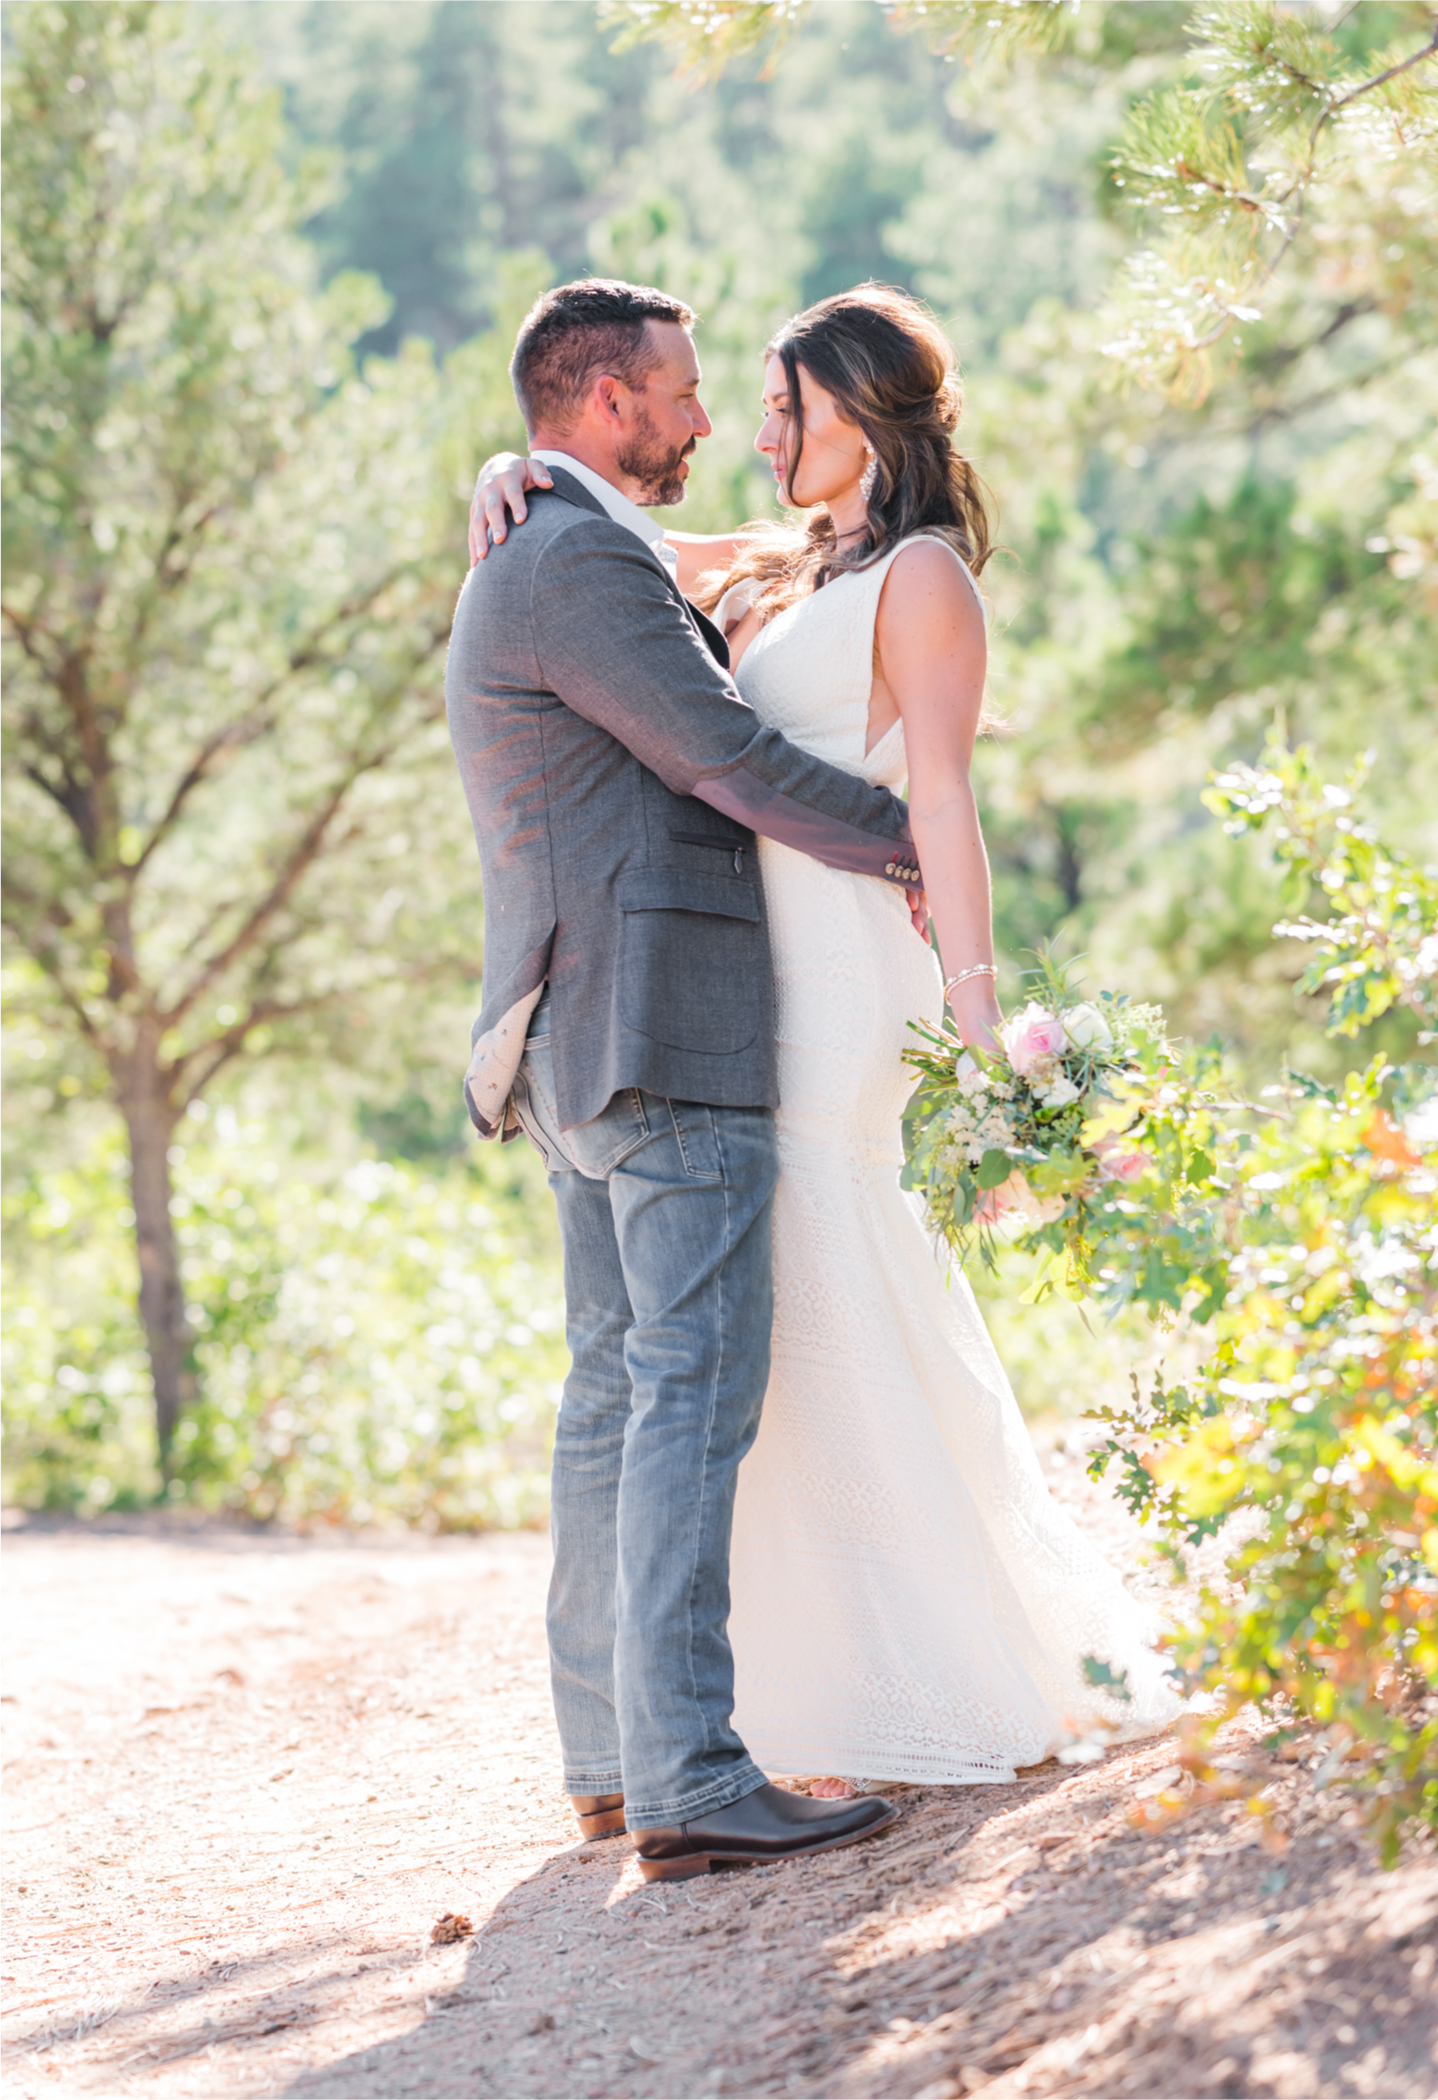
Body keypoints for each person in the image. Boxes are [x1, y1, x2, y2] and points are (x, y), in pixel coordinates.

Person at [469, 282, 1180, 1799]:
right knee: (744, 1345)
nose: (756, 431)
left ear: (859, 412)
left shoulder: (923, 577)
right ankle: (781, 1691)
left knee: (806, 1294)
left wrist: (978, 1017)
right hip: (737, 972)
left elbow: (944, 801)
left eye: (786, 406)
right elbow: (603, 541)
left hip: (843, 966)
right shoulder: (784, 564)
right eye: (744, 404)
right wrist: (504, 468)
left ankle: (919, 1662)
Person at [445, 279, 913, 1881]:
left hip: (583, 1038)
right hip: (656, 1032)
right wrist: (921, 845)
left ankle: (613, 1759)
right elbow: (727, 760)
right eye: (685, 391)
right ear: (603, 401)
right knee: (688, 1399)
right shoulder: (573, 560)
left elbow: (729, 585)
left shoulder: (553, 540)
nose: (709, 421)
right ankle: (691, 1775)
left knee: (615, 1399)